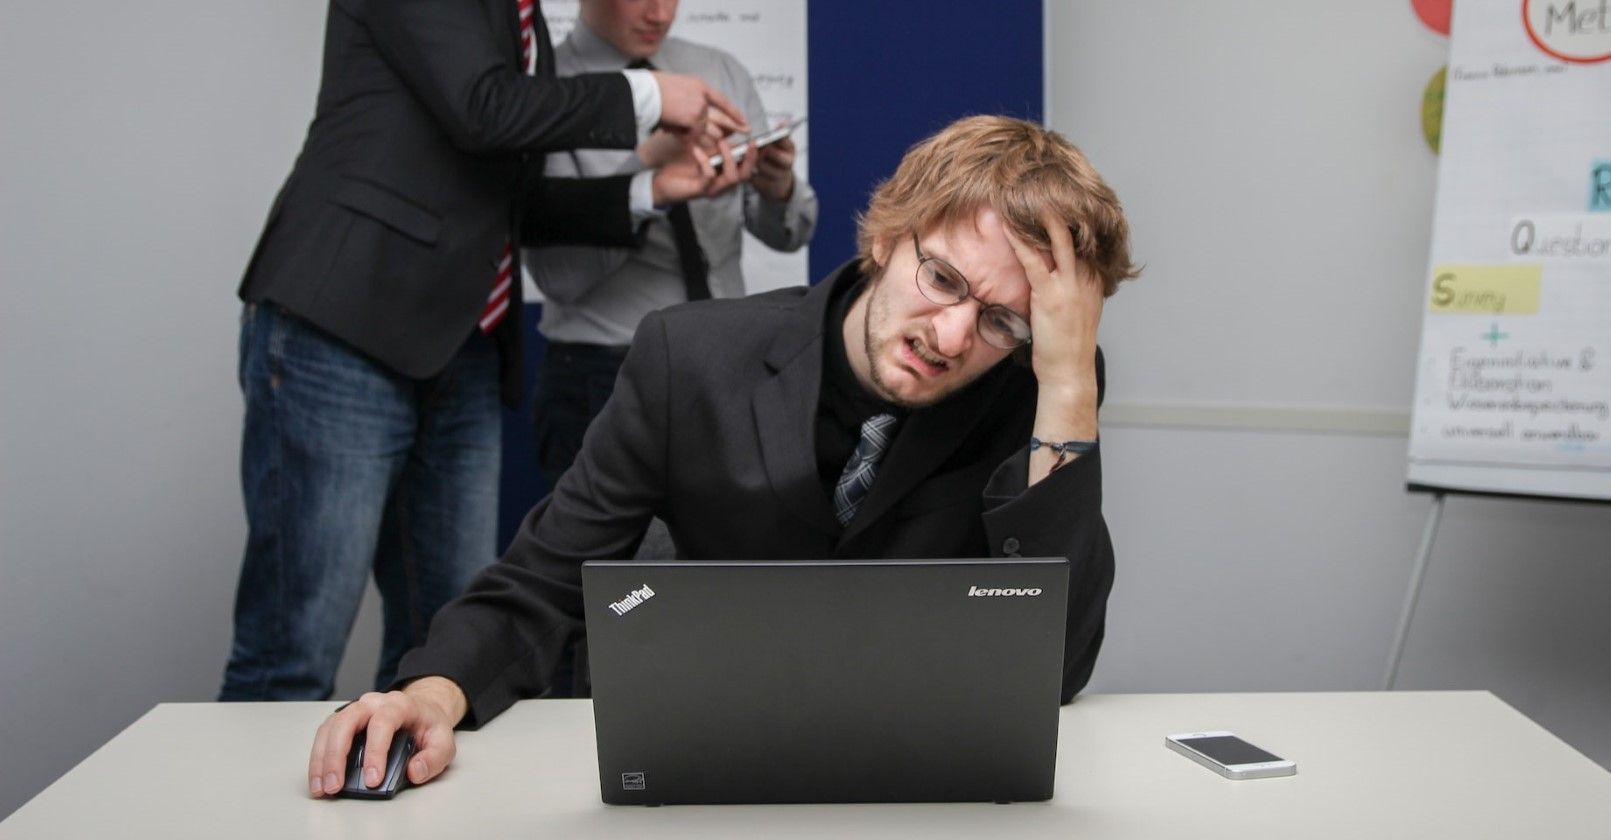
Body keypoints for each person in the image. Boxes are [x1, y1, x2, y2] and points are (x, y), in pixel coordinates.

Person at [305, 115, 1140, 798]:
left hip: (912, 787)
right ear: (890, 236)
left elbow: (1054, 670)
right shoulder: (691, 359)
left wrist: (1067, 385)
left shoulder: (1039, 391)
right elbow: (543, 578)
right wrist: (427, 693)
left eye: (1004, 321)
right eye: (945, 280)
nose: (954, 336)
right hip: (702, 774)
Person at [220, 0, 754, 701]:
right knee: (293, 653)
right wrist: (653, 93)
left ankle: (403, 802)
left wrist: (649, 188)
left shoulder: (519, 22)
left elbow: (514, 205)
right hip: (346, 328)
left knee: (443, 656)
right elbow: (483, 107)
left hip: (463, 345)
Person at [525, 0, 819, 486]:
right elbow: (560, 280)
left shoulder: (717, 70)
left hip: (733, 366)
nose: (659, 13)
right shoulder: (548, 95)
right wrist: (647, 173)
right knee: (606, 559)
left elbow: (792, 231)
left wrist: (777, 188)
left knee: (736, 557)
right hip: (606, 375)